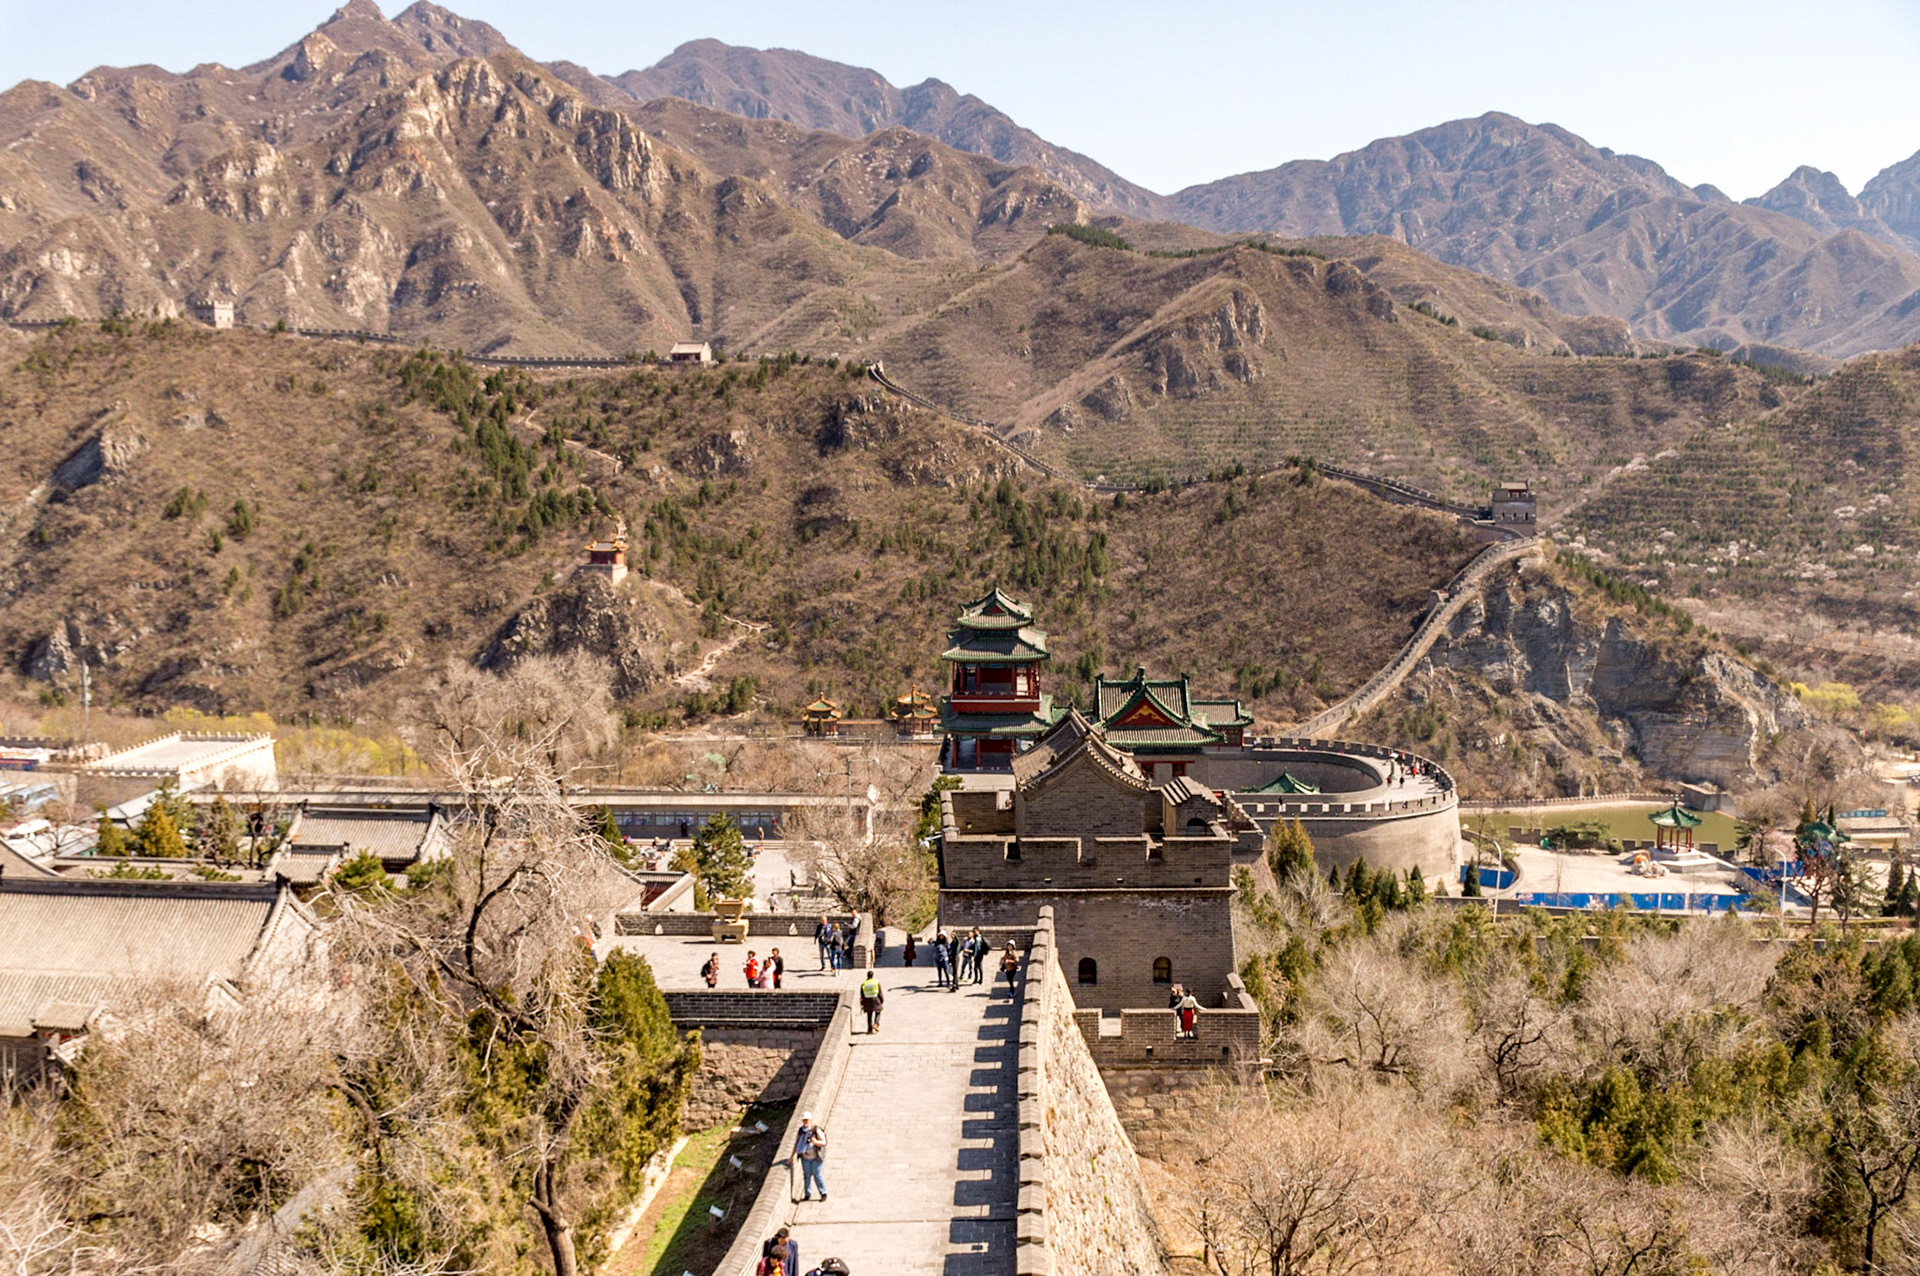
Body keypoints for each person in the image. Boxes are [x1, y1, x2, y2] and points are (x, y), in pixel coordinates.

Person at [792, 1112, 827, 1201]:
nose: (805, 1122)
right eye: (804, 1120)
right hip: (805, 1158)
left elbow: (824, 1142)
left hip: (816, 1158)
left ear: (811, 1120)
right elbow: (797, 1144)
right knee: (807, 1175)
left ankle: (823, 1193)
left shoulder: (816, 1130)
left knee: (817, 1175)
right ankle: (807, 1194)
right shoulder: (801, 1131)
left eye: (807, 1120)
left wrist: (815, 1142)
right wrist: (792, 1156)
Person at [859, 969, 884, 1033]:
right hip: (876, 1000)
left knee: (869, 1016)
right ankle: (876, 1024)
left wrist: (862, 1003)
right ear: (872, 976)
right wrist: (882, 1000)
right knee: (878, 1012)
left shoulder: (864, 984)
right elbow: (880, 992)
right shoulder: (876, 982)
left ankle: (870, 1029)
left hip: (867, 1001)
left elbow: (862, 995)